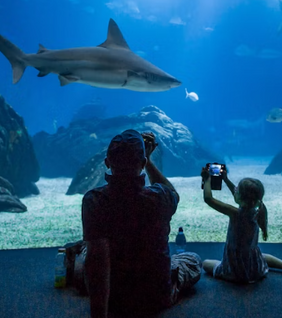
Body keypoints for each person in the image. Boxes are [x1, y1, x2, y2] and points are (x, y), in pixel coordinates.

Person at [80, 129, 202, 318]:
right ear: (143, 162)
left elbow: (98, 259)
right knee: (192, 259)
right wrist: (150, 161)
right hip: (156, 296)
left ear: (107, 163)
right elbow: (174, 195)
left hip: (114, 298)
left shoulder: (94, 201)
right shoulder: (159, 197)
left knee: (87, 251)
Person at [201, 165, 282, 284]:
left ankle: (234, 275)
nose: (235, 189)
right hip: (255, 267)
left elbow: (209, 199)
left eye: (237, 189)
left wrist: (207, 180)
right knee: (262, 255)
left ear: (241, 197)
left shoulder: (236, 214)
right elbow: (239, 195)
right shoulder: (257, 211)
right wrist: (226, 180)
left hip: (235, 270)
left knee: (206, 263)